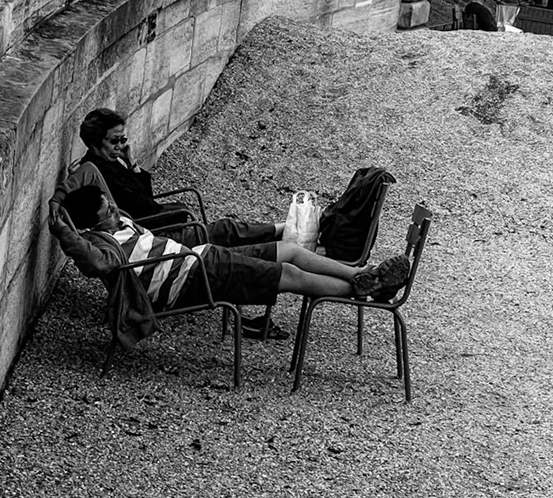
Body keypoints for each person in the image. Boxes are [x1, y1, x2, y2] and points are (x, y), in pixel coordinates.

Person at [76, 108, 292, 339]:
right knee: (226, 232)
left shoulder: (110, 163)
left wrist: (131, 164)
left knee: (229, 239)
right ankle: (284, 231)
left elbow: (145, 197)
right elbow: (144, 207)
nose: (121, 145)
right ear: (96, 142)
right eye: (115, 141)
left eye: (123, 139)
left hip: (157, 231)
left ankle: (282, 234)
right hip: (157, 234)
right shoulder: (98, 174)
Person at [60, 184, 412, 316]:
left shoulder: (118, 223)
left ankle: (361, 276)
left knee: (288, 250)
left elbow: (92, 175)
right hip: (193, 278)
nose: (115, 211)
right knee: (287, 275)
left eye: (110, 205)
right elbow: (91, 263)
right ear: (90, 226)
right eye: (107, 211)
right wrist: (62, 227)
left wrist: (62, 198)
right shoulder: (100, 245)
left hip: (202, 257)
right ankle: (365, 291)